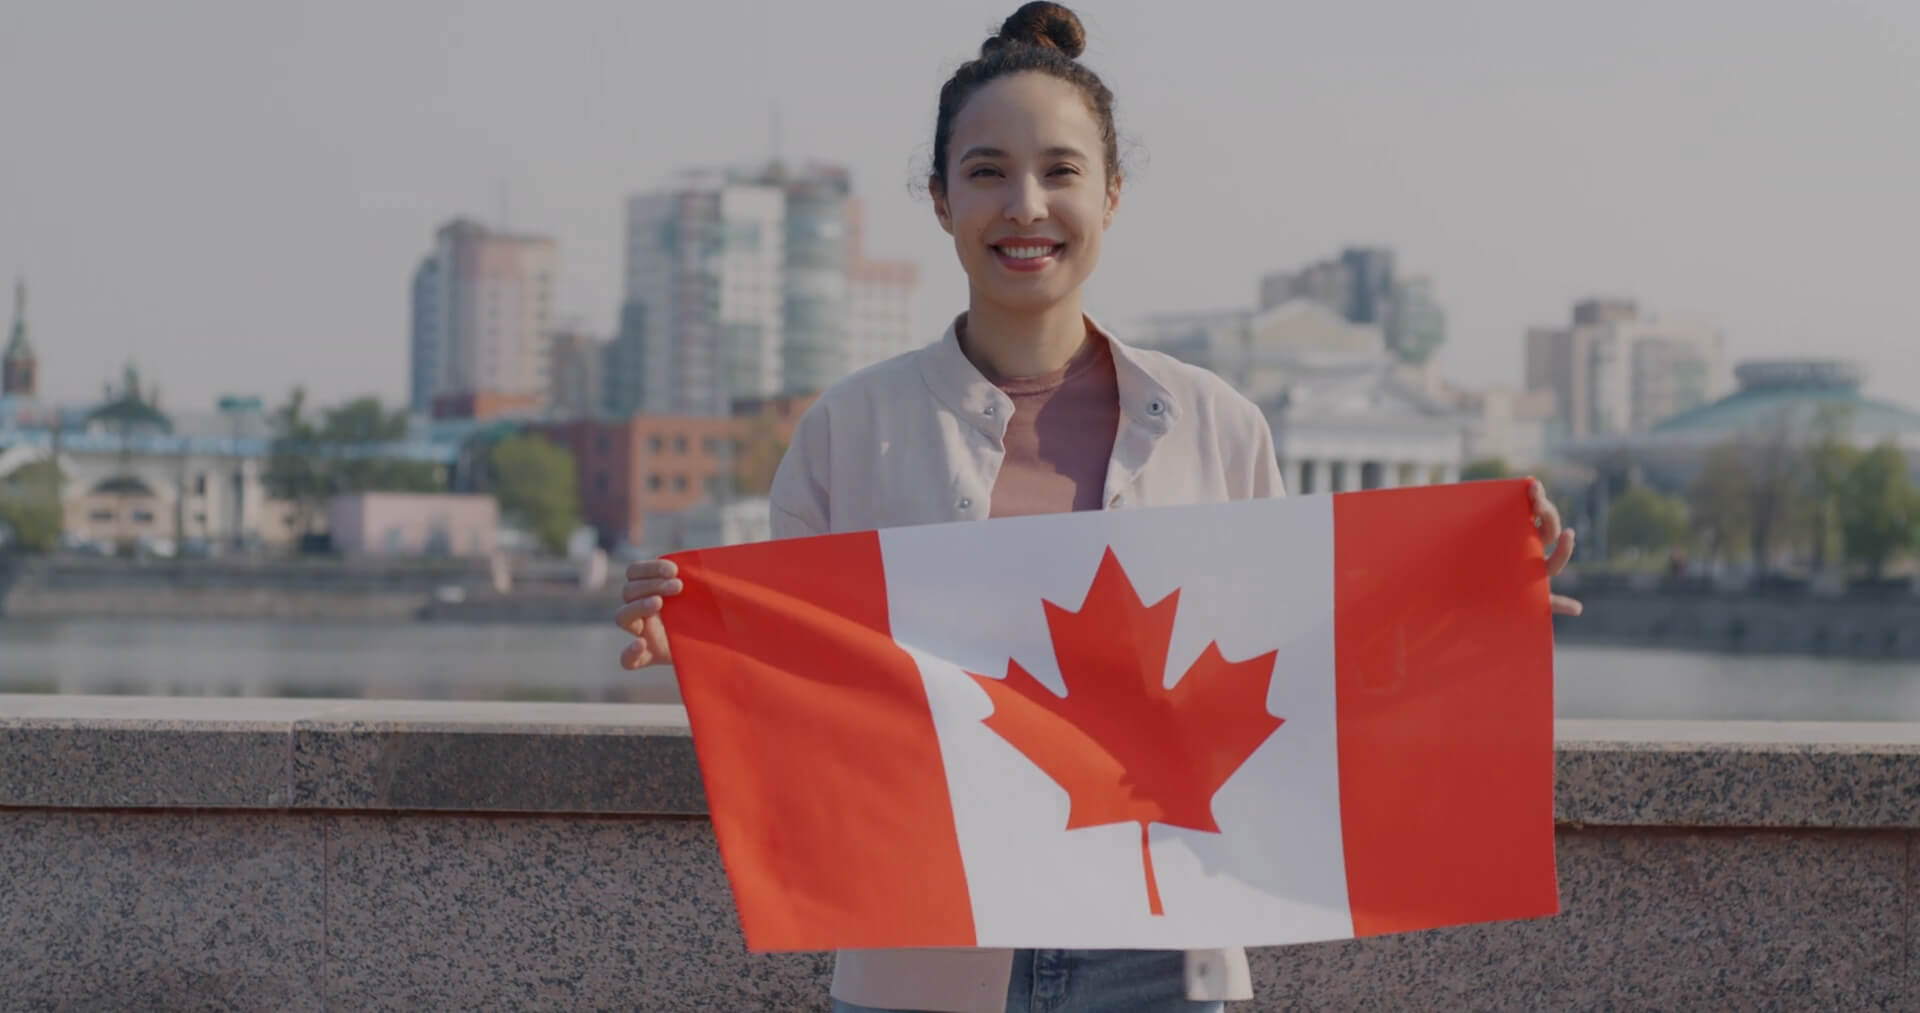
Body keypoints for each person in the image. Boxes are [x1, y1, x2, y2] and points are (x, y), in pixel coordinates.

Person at [615, 4, 1581, 1009]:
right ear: (941, 199)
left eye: (1061, 171)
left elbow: (1304, 663)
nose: (1024, 205)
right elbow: (813, 701)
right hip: (927, 941)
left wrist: (1470, 610)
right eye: (986, 171)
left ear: (1112, 196)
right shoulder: (850, 429)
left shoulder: (1216, 423)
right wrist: (705, 637)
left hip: (1165, 954)